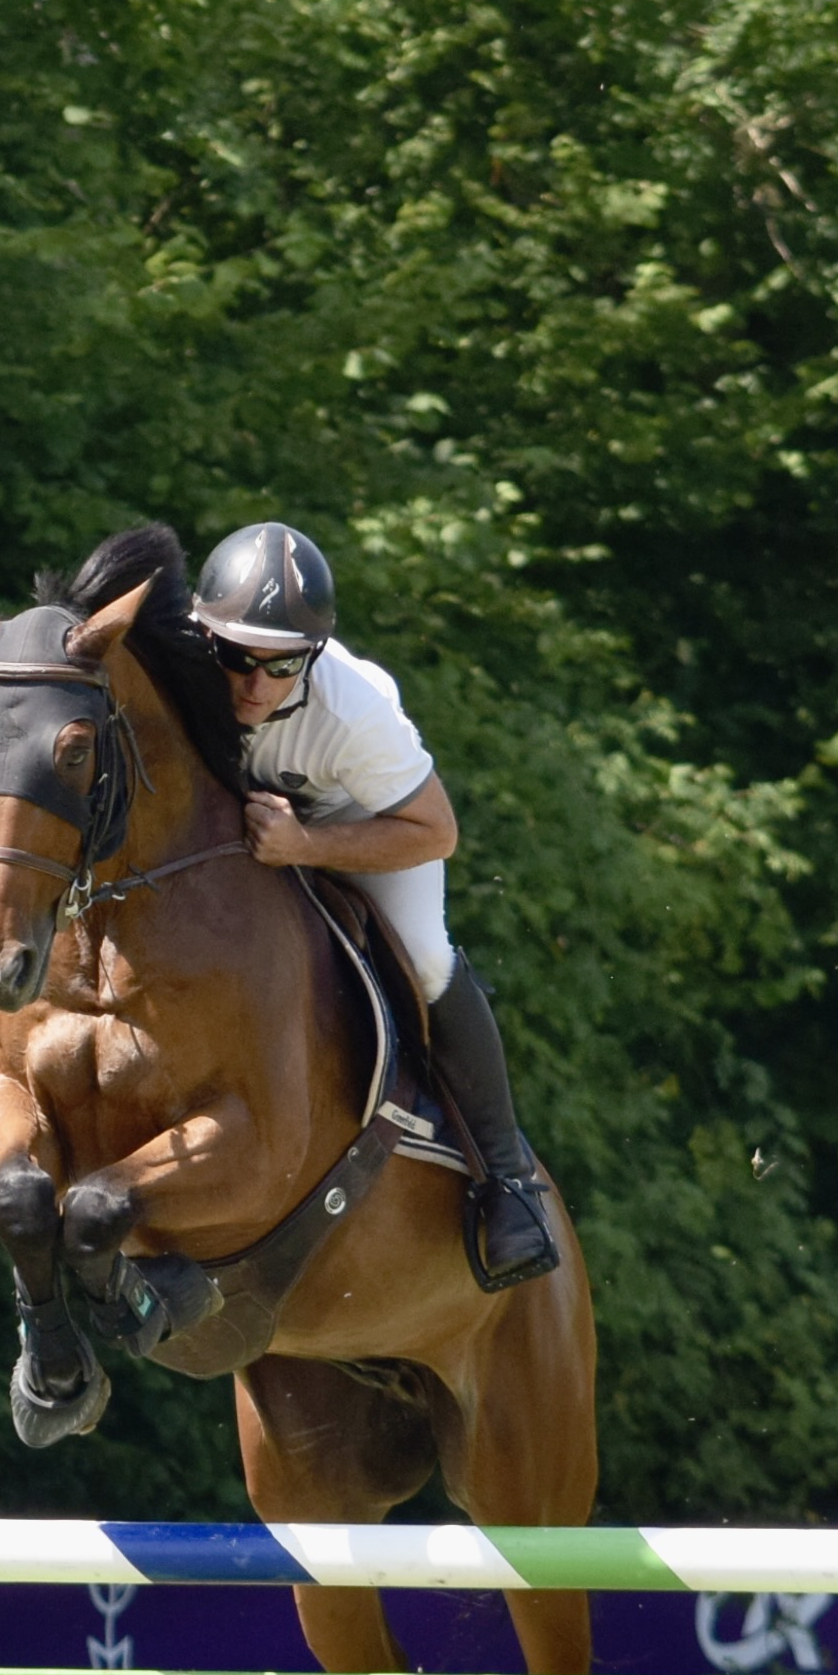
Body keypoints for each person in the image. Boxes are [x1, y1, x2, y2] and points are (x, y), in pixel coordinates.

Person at [194, 520, 560, 1291]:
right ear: (203, 636)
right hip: (233, 831)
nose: (255, 685)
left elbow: (437, 832)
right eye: (236, 657)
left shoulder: (355, 712)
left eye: (283, 664)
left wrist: (306, 847)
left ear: (314, 654)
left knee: (424, 956)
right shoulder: (179, 662)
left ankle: (508, 1180)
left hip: (358, 822)